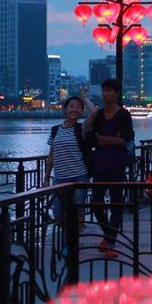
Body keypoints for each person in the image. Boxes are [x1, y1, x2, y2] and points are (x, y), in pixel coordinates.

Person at [86, 79, 134, 259]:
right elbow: (91, 138)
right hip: (100, 163)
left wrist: (102, 138)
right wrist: (109, 138)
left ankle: (111, 241)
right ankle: (108, 234)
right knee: (96, 202)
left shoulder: (123, 115)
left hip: (116, 163)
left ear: (116, 93)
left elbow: (124, 140)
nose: (105, 94)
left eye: (108, 91)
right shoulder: (98, 115)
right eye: (103, 90)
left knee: (116, 203)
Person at [44, 92, 95, 230]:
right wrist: (47, 177)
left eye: (78, 107)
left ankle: (75, 245)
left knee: (78, 211)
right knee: (58, 212)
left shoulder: (82, 128)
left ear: (82, 110)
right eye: (71, 106)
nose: (74, 110)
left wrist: (84, 97)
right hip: (60, 177)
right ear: (65, 109)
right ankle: (68, 238)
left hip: (79, 175)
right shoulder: (55, 130)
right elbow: (51, 156)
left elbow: (95, 113)